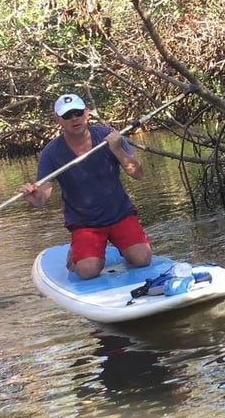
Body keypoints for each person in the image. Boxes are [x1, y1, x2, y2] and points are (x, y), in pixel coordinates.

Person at [20, 93, 152, 279]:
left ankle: (125, 246)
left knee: (142, 259)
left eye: (78, 112)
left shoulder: (109, 136)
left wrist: (116, 149)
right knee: (87, 272)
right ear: (57, 120)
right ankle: (76, 251)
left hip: (120, 214)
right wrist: (34, 197)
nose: (74, 118)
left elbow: (138, 174)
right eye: (67, 115)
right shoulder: (51, 153)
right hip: (85, 223)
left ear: (87, 113)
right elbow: (42, 198)